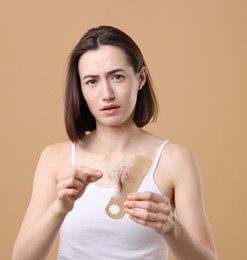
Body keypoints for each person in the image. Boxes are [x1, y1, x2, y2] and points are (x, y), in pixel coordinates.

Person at [13, 25, 217, 260]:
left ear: (140, 78)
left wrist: (171, 228)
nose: (106, 93)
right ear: (80, 89)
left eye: (117, 76)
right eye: (92, 81)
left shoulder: (175, 159)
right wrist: (59, 208)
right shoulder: (55, 158)